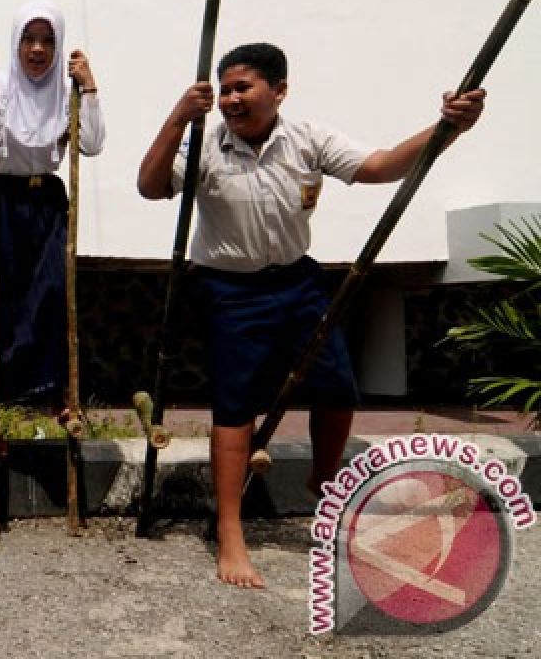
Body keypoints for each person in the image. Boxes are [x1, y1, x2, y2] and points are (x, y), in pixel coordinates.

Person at [136, 42, 485, 589]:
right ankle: (230, 529)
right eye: (224, 89)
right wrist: (179, 118)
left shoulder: (307, 139)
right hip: (229, 289)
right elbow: (151, 186)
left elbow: (382, 166)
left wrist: (447, 128)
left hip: (297, 282)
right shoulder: (205, 144)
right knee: (234, 409)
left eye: (242, 88)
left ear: (278, 92)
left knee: (336, 386)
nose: (230, 98)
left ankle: (326, 483)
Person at [0, 0, 104, 407]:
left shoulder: (66, 91)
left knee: (50, 290)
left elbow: (90, 144)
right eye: (29, 39)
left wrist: (89, 86)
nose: (37, 50)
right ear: (16, 43)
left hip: (48, 204)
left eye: (47, 41)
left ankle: (40, 386)